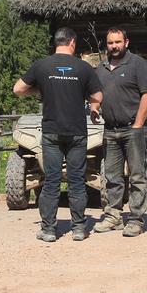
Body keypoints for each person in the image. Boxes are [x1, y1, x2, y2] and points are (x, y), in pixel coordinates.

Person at [13, 27, 103, 242]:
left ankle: (49, 230)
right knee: (76, 181)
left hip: (51, 131)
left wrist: (40, 90)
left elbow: (17, 89)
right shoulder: (84, 67)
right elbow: (98, 95)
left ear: (56, 43)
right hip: (77, 133)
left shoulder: (42, 65)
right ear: (72, 42)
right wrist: (92, 107)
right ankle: (79, 229)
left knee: (51, 181)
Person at [92, 28, 147, 237]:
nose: (114, 46)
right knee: (112, 176)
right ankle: (114, 216)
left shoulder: (137, 63)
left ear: (126, 42)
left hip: (133, 129)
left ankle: (136, 219)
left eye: (118, 42)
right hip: (110, 129)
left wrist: (138, 124)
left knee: (137, 175)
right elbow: (96, 94)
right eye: (110, 42)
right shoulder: (100, 68)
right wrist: (94, 107)